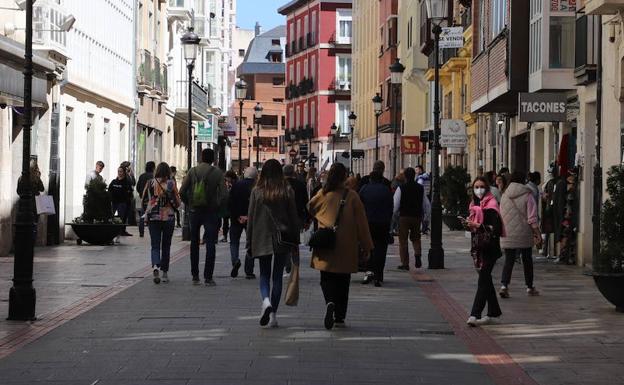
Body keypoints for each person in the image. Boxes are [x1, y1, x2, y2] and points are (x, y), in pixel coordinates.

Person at [308, 163, 373, 329]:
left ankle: (329, 301)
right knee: (344, 281)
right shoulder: (352, 196)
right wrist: (367, 245)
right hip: (347, 244)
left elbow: (310, 207)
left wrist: (322, 219)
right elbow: (362, 223)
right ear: (344, 177)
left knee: (326, 278)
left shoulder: (323, 193)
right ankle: (340, 316)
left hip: (327, 242)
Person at [246, 159, 300, 328]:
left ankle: (266, 301)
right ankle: (274, 316)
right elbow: (293, 217)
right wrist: (295, 241)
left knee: (264, 275)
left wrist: (249, 240)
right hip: (282, 239)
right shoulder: (287, 190)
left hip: (261, 238)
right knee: (277, 277)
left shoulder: (257, 191)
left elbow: (251, 218)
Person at [179, 148, 226, 286]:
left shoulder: (192, 171)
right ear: (213, 159)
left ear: (201, 157)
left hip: (195, 211)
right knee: (211, 243)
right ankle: (208, 277)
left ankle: (195, 275)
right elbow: (224, 194)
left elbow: (182, 191)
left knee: (194, 242)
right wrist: (217, 205)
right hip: (210, 211)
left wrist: (190, 203)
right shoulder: (217, 173)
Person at [465, 177, 504, 326]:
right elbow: (473, 227)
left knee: (483, 279)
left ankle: (474, 314)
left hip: (490, 248)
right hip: (478, 248)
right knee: (486, 280)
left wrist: (478, 225)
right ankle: (494, 312)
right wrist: (468, 224)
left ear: (487, 188)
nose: (479, 190)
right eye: (476, 187)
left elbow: (496, 228)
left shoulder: (492, 205)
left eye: (482, 186)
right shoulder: (473, 205)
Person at [499, 171, 542, 298]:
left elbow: (501, 215)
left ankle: (504, 285)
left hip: (508, 233)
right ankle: (529, 287)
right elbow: (532, 217)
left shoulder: (504, 195)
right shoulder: (527, 195)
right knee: (527, 259)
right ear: (524, 180)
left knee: (509, 260)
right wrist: (537, 233)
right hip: (524, 233)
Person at [143, 162, 180, 284]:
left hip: (154, 217)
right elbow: (178, 202)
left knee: (155, 245)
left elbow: (144, 198)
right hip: (168, 217)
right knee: (166, 245)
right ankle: (164, 273)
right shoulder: (171, 183)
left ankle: (155, 266)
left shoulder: (150, 183)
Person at [358, 170, 393, 286]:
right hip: (383, 224)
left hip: (368, 224)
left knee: (368, 248)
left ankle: (368, 272)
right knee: (381, 249)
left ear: (370, 179)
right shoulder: (386, 190)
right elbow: (391, 207)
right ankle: (379, 274)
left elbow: (359, 206)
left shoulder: (364, 189)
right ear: (381, 179)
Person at [394, 167, 430, 270]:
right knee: (416, 238)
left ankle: (405, 263)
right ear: (414, 175)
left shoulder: (401, 188)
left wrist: (394, 215)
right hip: (416, 217)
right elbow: (426, 204)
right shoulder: (420, 188)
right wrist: (427, 217)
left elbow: (395, 204)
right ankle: (417, 255)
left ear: (405, 176)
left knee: (403, 240)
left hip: (404, 217)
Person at [228, 167, 258, 279]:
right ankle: (249, 271)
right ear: (255, 176)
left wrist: (237, 216)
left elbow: (230, 202)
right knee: (251, 243)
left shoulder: (236, 185)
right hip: (251, 218)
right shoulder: (257, 186)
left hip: (237, 218)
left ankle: (235, 260)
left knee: (234, 242)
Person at [108, 166, 134, 237]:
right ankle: (111, 232)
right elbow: (109, 190)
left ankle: (120, 233)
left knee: (121, 219)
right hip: (114, 203)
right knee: (111, 217)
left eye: (121, 171)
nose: (119, 173)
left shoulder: (127, 182)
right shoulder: (114, 181)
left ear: (124, 172)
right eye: (118, 171)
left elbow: (130, 192)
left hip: (122, 203)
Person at [136, 161, 156, 237]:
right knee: (152, 214)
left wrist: (141, 194)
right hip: (152, 199)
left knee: (142, 214)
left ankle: (141, 232)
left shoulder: (142, 176)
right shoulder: (153, 177)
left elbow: (137, 187)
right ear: (153, 168)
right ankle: (152, 231)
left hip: (143, 199)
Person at [218, 170, 238, 243]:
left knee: (231, 222)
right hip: (228, 206)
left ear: (231, 177)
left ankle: (228, 236)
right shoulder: (229, 184)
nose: (226, 180)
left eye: (227, 178)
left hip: (232, 206)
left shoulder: (235, 184)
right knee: (226, 221)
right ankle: (225, 236)